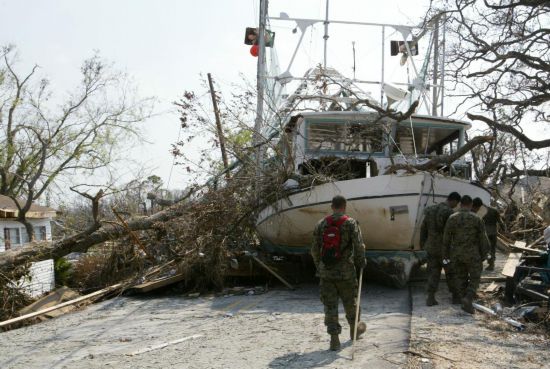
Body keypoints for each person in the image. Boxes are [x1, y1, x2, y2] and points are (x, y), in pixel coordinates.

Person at [311, 195, 367, 351]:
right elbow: (359, 246)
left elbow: (314, 250)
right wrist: (361, 262)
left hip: (326, 274)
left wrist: (320, 266)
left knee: (330, 306)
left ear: (332, 206)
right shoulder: (351, 223)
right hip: (346, 273)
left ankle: (334, 340)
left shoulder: (321, 224)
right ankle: (353, 331)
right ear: (345, 206)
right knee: (351, 303)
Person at [443, 195, 490, 314]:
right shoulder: (477, 219)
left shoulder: (452, 218)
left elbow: (446, 239)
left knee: (460, 277)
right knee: (475, 277)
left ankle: (462, 298)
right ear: (470, 205)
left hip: (456, 253)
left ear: (460, 204)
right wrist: (484, 254)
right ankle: (468, 298)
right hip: (473, 254)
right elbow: (483, 240)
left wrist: (446, 255)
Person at [419, 191, 461, 306]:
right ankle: (456, 297)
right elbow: (453, 232)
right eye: (456, 204)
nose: (455, 206)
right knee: (450, 272)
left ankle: (430, 297)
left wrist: (422, 244)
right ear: (453, 200)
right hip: (445, 251)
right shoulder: (449, 213)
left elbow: (423, 229)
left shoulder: (430, 210)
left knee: (433, 272)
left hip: (431, 248)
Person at [472, 197, 505, 271]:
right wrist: (504, 229)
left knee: (480, 248)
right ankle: (491, 264)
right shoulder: (494, 210)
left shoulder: (479, 210)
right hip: (493, 232)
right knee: (492, 249)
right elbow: (500, 221)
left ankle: (479, 264)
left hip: (483, 232)